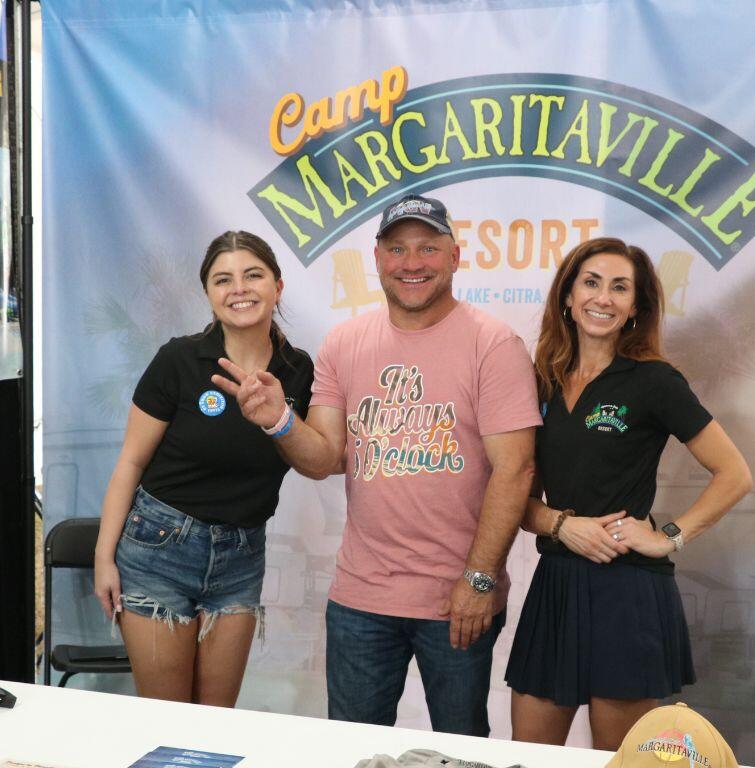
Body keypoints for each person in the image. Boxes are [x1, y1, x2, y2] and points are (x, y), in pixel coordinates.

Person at [213, 194, 540, 736]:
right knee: (353, 750)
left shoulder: (493, 344)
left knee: (461, 752)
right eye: (397, 249)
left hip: (458, 598)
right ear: (378, 258)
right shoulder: (346, 341)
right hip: (361, 599)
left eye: (428, 248)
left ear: (455, 256)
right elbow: (325, 459)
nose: (412, 263)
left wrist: (479, 580)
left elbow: (516, 471)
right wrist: (280, 422)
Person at [504, 237, 752, 749]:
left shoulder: (655, 382)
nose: (604, 297)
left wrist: (669, 537)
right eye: (591, 282)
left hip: (627, 593)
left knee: (618, 762)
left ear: (635, 307)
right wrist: (559, 524)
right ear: (567, 297)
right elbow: (512, 495)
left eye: (621, 288)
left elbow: (734, 474)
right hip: (556, 586)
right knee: (526, 757)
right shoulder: (539, 381)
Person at [92, 231, 313, 706]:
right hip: (158, 552)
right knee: (169, 722)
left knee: (214, 725)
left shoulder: (298, 371)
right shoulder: (179, 359)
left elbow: (314, 456)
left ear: (278, 284)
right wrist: (104, 558)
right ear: (209, 295)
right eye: (223, 279)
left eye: (253, 275)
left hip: (241, 556)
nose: (240, 289)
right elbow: (130, 462)